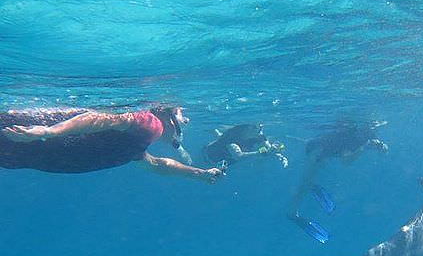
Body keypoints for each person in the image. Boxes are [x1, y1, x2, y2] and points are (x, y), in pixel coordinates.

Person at [0, 106, 224, 183]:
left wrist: (198, 174)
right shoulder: (150, 123)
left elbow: (156, 165)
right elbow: (105, 118)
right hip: (28, 134)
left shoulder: (138, 143)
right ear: (167, 113)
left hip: (21, 150)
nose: (187, 120)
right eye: (183, 113)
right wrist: (48, 131)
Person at [288, 120, 389, 242]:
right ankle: (292, 212)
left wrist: (381, 146)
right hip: (316, 150)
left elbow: (382, 149)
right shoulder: (353, 138)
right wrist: (364, 148)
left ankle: (311, 185)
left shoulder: (368, 134)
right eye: (370, 128)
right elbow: (346, 161)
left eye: (374, 129)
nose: (373, 131)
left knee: (314, 174)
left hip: (326, 149)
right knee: (306, 181)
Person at [202, 123, 288, 170]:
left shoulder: (258, 135)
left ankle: (216, 133)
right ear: (246, 129)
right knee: (221, 139)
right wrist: (259, 153)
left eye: (261, 128)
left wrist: (278, 155)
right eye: (256, 127)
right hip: (207, 158)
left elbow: (269, 149)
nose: (260, 131)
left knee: (220, 137)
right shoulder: (232, 138)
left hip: (222, 155)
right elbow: (239, 156)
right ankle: (216, 133)